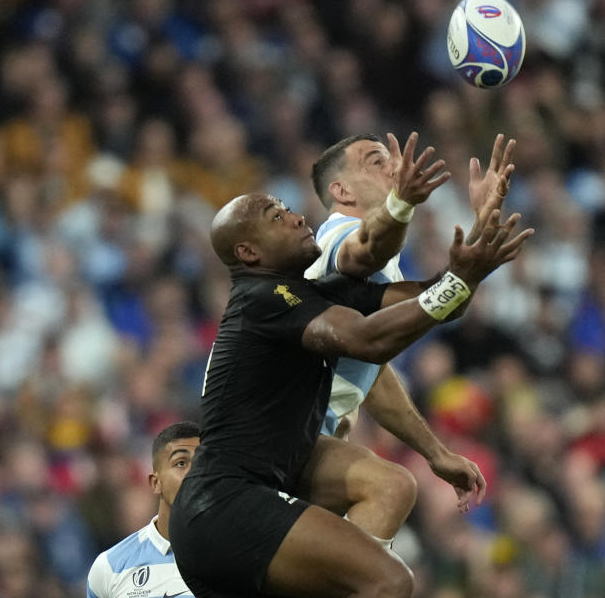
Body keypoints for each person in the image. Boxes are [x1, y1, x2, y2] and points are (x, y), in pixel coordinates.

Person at [169, 192, 532, 598]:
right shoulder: (263, 300)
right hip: (224, 507)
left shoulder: (308, 295)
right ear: (248, 252)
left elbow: (435, 299)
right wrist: (455, 284)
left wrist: (468, 271)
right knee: (387, 580)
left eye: (288, 209)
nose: (296, 218)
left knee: (390, 487)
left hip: (250, 495)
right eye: (277, 217)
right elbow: (369, 341)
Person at [299, 132, 515, 541]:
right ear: (340, 190)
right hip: (285, 442)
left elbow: (378, 368)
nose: (393, 167)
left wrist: (481, 226)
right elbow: (366, 251)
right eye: (374, 161)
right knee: (391, 494)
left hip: (309, 449)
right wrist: (402, 202)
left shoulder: (377, 280)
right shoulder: (331, 237)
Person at [87, 421, 201, 598]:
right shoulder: (109, 568)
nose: (195, 473)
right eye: (181, 463)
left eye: (202, 463)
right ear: (156, 483)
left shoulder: (240, 558)